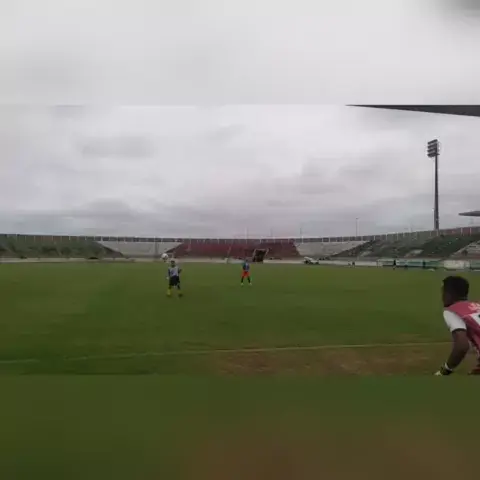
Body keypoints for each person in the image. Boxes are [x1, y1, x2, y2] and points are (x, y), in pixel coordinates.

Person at [435, 275, 480, 375]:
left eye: (443, 292)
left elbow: (462, 346)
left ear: (449, 294)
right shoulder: (478, 306)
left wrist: (446, 370)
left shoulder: (453, 311)